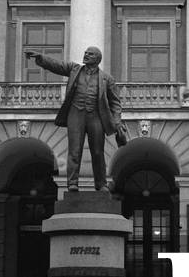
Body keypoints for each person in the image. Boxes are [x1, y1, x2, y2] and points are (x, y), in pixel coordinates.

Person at [24, 45, 122, 192]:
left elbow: (115, 102)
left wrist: (117, 121)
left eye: (90, 54)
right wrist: (41, 58)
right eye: (85, 53)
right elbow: (57, 66)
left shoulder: (107, 79)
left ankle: (101, 184)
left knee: (97, 152)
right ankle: (72, 183)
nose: (86, 55)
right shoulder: (74, 69)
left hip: (96, 116)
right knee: (74, 150)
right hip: (76, 114)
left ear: (97, 59)